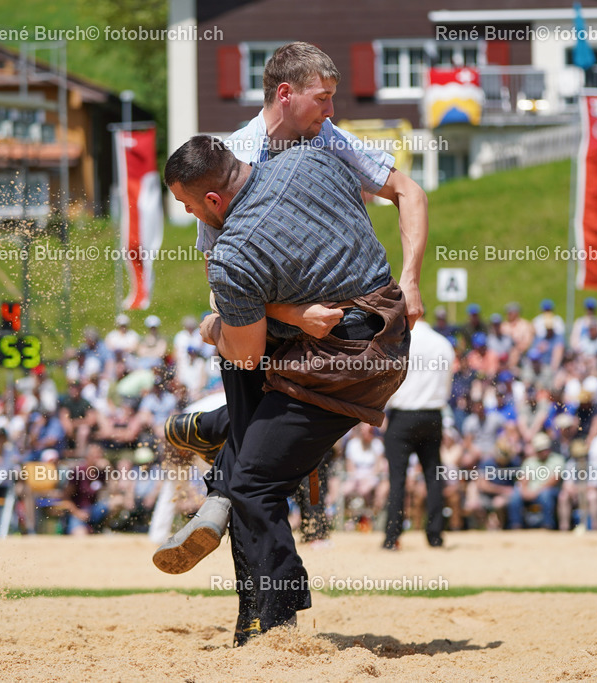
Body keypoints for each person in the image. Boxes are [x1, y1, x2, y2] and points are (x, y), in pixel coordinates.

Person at [159, 135, 411, 644]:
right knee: (255, 436)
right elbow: (389, 200)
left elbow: (245, 354)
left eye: (188, 206)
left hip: (336, 371)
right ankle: (216, 428)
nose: (190, 216)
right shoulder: (310, 159)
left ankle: (275, 621)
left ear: (213, 200)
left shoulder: (233, 255)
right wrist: (291, 311)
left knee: (252, 484)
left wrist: (212, 329)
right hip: (392, 332)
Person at [164, 40, 428, 484]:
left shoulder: (324, 135)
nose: (330, 109)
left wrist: (411, 280)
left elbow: (408, 191)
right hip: (262, 327)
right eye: (321, 98)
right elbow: (223, 281)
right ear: (286, 94)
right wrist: (292, 314)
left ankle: (215, 442)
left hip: (334, 319)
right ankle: (220, 487)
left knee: (278, 444)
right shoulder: (232, 161)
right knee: (254, 442)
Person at [382, 319, 455, 549]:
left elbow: (388, 379)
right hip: (433, 414)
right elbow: (447, 386)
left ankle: (392, 536)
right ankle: (435, 535)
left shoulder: (397, 340)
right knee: (433, 475)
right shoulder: (443, 343)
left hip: (402, 414)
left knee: (398, 478)